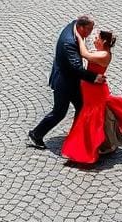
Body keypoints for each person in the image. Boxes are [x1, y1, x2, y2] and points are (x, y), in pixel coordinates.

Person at [61, 30, 122, 163]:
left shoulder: (104, 55)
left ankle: (92, 147)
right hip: (91, 90)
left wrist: (79, 37)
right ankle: (105, 143)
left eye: (97, 38)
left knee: (95, 117)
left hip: (95, 92)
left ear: (104, 41)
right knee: (100, 116)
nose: (94, 40)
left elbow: (84, 54)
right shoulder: (101, 53)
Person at [28, 15, 106, 150]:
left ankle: (76, 135)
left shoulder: (73, 26)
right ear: (81, 27)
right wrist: (94, 77)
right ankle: (36, 133)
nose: (90, 33)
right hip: (64, 82)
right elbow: (76, 68)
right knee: (59, 112)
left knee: (81, 106)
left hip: (70, 79)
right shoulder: (69, 42)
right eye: (89, 29)